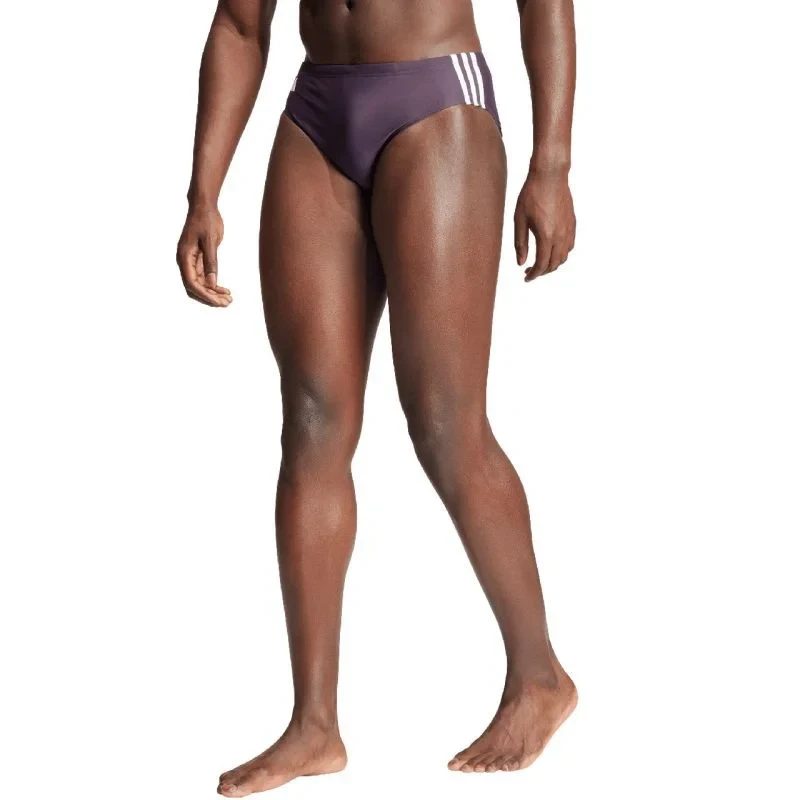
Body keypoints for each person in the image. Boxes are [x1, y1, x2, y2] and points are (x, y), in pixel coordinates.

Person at [176, 0, 577, 795]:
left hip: (438, 100)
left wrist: (553, 163)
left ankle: (539, 677)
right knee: (311, 421)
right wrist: (202, 192)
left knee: (445, 423)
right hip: (316, 113)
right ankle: (313, 726)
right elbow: (240, 23)